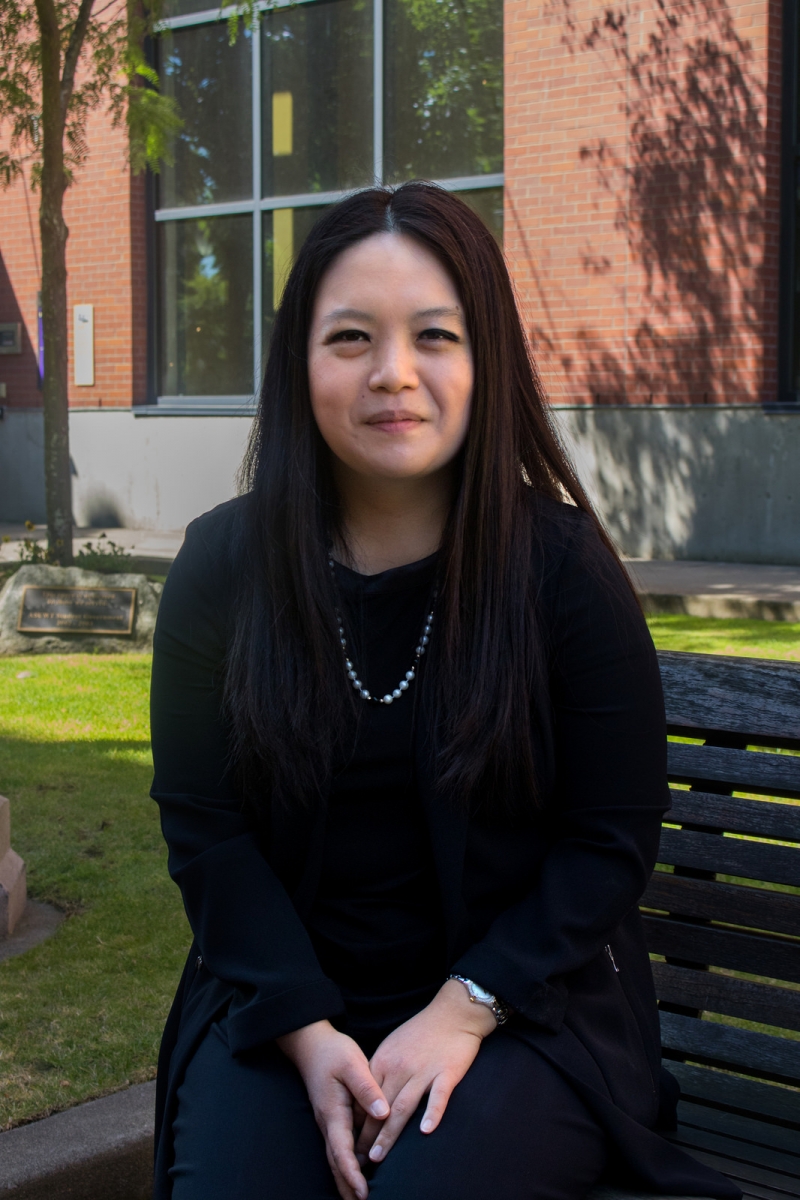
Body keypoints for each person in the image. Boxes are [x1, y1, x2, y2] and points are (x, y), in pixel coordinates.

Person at [150, 182, 740, 1200]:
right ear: (300, 364)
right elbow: (206, 830)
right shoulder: (222, 565)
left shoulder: (558, 572)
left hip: (524, 1006)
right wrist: (301, 1028)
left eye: (433, 336)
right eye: (349, 339)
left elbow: (608, 839)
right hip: (282, 1001)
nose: (392, 374)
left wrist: (464, 1008)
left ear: (484, 361)